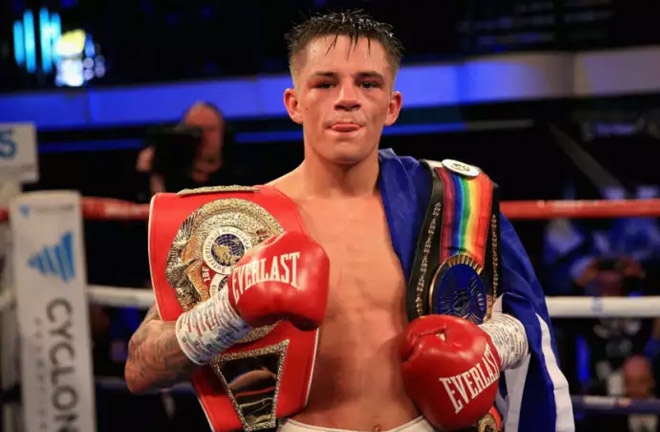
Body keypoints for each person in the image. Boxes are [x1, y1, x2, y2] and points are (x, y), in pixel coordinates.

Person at [125, 10, 573, 432]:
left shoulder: (450, 201)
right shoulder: (238, 225)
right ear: (294, 103)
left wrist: (486, 348)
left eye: (367, 83)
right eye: (325, 83)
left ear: (392, 105)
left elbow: (525, 321)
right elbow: (141, 368)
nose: (347, 99)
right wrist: (228, 311)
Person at [135, 101, 241, 201]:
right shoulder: (170, 175)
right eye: (195, 130)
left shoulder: (240, 175)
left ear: (223, 133)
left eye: (210, 129)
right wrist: (153, 175)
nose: (203, 136)